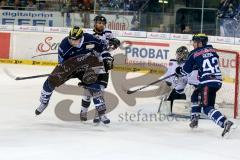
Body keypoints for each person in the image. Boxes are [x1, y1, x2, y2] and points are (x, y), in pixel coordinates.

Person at [35, 26, 114, 124]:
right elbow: (61, 62)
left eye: (75, 40)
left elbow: (102, 47)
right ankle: (44, 102)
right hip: (70, 69)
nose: (72, 42)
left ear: (81, 37)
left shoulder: (89, 39)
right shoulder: (64, 45)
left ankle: (101, 112)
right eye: (71, 39)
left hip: (85, 67)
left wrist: (107, 57)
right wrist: (65, 68)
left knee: (94, 85)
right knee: (50, 81)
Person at [175, 33, 234, 137]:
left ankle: (224, 122)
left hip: (207, 82)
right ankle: (194, 118)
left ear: (200, 43)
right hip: (217, 81)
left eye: (194, 42)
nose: (193, 44)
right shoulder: (213, 51)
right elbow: (205, 61)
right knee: (195, 95)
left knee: (207, 108)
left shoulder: (194, 53)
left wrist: (179, 70)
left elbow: (185, 70)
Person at [79, 15, 120, 124]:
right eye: (99, 23)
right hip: (91, 65)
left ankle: (99, 114)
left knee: (100, 91)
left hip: (103, 65)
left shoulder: (108, 33)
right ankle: (83, 112)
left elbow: (113, 45)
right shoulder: (88, 34)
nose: (101, 25)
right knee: (87, 92)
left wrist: (115, 44)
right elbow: (82, 48)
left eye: (103, 23)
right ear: (95, 23)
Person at [162, 46, 189, 113]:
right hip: (176, 89)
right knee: (169, 105)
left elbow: (189, 78)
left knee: (183, 109)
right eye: (177, 54)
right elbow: (168, 75)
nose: (178, 56)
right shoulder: (173, 62)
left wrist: (181, 75)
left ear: (184, 55)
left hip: (186, 91)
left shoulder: (189, 64)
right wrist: (167, 83)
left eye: (180, 55)